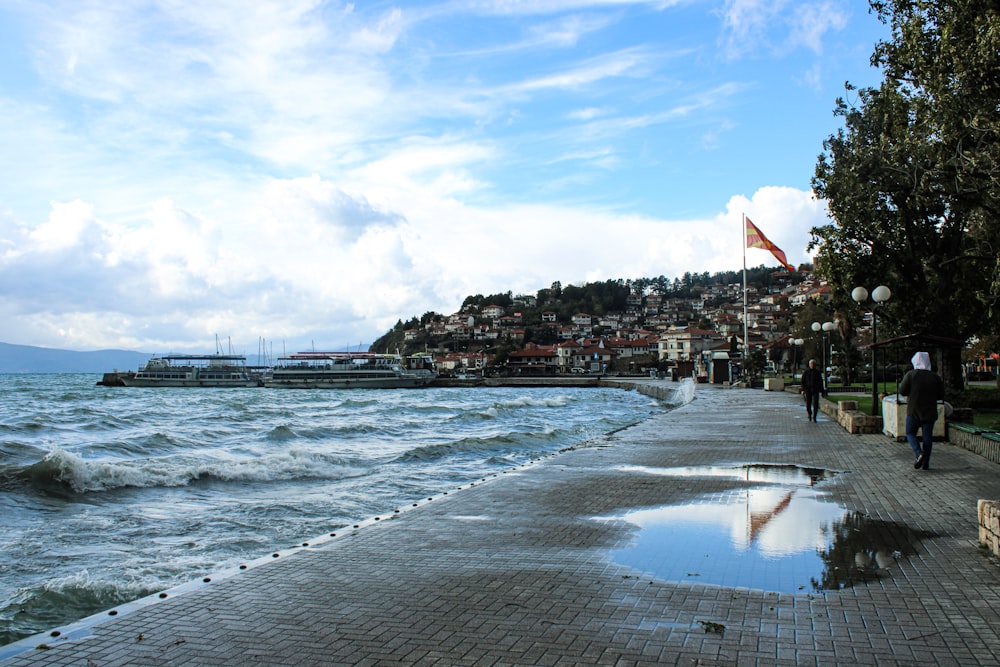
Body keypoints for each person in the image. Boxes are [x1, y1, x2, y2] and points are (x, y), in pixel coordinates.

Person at [899, 351, 945, 470]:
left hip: (914, 410)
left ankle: (919, 453)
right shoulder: (935, 377)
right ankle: (926, 463)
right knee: (927, 437)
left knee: (910, 433)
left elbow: (902, 391)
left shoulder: (911, 375)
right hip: (930, 411)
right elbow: (941, 395)